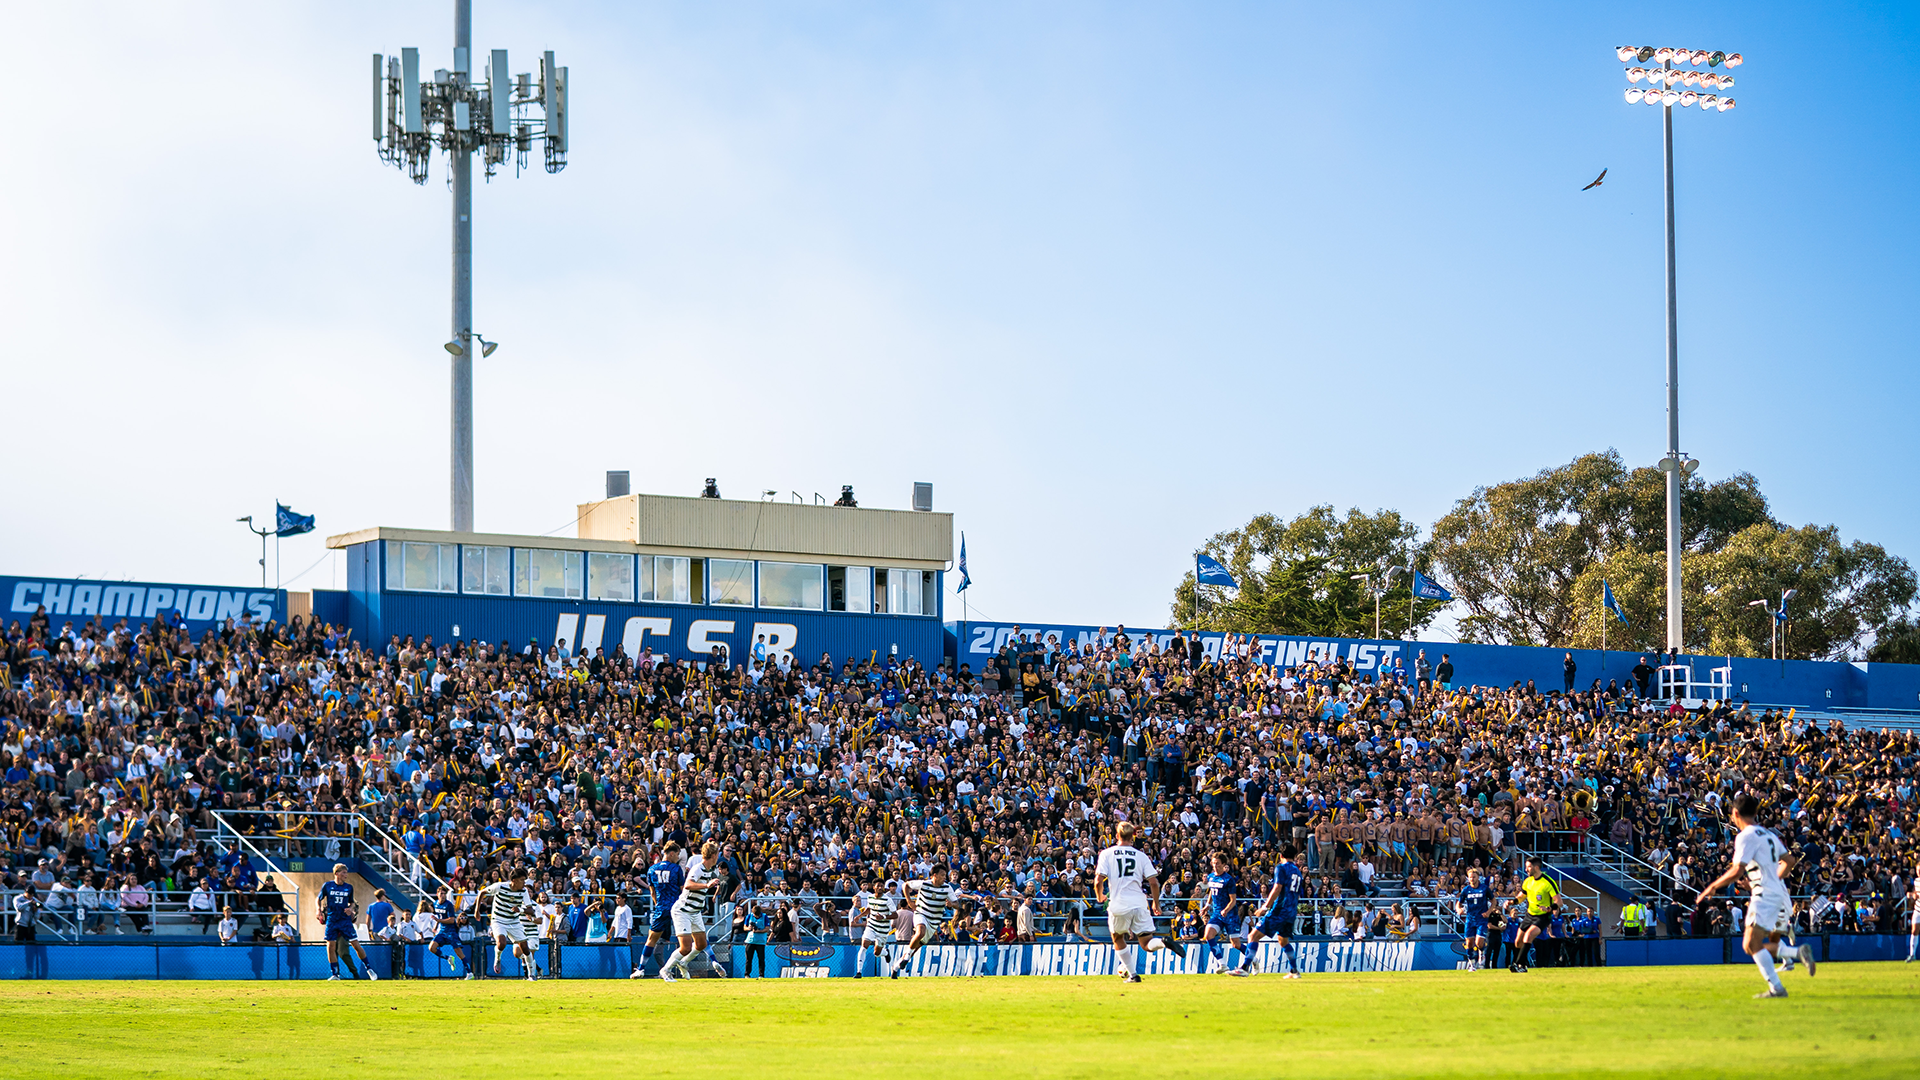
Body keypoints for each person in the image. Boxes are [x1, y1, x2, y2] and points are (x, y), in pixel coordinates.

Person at [1694, 792, 1815, 998]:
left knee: (1750, 944)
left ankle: (1779, 984)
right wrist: (1775, 879)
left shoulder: (1745, 836)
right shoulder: (1768, 834)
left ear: (1735, 813)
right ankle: (1791, 962)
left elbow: (1737, 870)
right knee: (1755, 943)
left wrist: (1711, 886)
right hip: (1777, 892)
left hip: (1764, 893)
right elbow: (1790, 861)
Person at [1093, 821, 1184, 984]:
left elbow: (1098, 880)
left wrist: (1099, 896)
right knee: (1146, 942)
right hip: (1140, 902)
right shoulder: (1141, 855)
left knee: (1118, 938)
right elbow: (1154, 883)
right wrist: (1156, 903)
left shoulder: (1107, 853)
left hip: (1119, 903)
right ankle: (1163, 942)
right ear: (1133, 837)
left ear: (1116, 836)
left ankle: (1133, 975)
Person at [1233, 844, 1304, 978]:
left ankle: (1244, 967)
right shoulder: (1297, 870)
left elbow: (1277, 888)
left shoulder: (1281, 868)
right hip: (1291, 912)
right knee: (1283, 941)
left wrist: (1264, 907)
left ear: (1281, 856)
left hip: (1279, 911)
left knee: (1253, 936)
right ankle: (1294, 970)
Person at [662, 840, 725, 982]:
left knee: (701, 944)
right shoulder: (698, 868)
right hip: (683, 910)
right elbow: (688, 885)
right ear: (714, 855)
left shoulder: (711, 871)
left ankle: (683, 963)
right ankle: (666, 970)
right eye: (717, 854)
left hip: (695, 912)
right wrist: (706, 885)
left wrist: (715, 885)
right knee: (685, 947)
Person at [891, 864, 964, 978]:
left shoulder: (947, 888)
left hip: (934, 921)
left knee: (917, 946)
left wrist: (951, 904)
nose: (945, 877)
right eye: (942, 875)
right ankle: (906, 957)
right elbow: (905, 885)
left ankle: (896, 967)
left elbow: (957, 904)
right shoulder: (924, 884)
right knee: (920, 932)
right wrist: (910, 902)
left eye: (945, 875)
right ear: (934, 875)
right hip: (921, 913)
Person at [633, 841, 685, 979]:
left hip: (661, 908)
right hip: (676, 908)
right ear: (671, 853)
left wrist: (659, 905)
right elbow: (682, 890)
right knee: (691, 937)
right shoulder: (676, 869)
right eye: (677, 855)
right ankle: (679, 966)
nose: (677, 858)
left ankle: (641, 969)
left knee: (651, 939)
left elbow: (652, 893)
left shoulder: (651, 869)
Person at [476, 866, 538, 981]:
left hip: (514, 922)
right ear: (514, 880)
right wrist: (477, 911)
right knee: (501, 943)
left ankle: (531, 974)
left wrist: (521, 910)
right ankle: (498, 958)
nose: (524, 883)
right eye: (522, 880)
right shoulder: (500, 886)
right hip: (498, 920)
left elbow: (531, 910)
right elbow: (481, 893)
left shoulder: (523, 891)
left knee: (525, 948)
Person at [318, 864, 376, 981]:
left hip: (344, 920)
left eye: (346, 872)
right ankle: (335, 974)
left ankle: (369, 968)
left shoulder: (349, 887)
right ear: (337, 873)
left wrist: (350, 908)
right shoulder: (328, 886)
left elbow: (352, 902)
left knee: (355, 944)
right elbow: (318, 898)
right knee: (330, 946)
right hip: (332, 919)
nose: (346, 875)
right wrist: (318, 910)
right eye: (343, 872)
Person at [1200, 851, 1246, 974]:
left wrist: (1226, 910)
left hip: (1230, 915)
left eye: (1218, 864)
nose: (1215, 866)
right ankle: (1222, 964)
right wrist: (1207, 905)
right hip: (1217, 914)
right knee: (1208, 935)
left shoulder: (1228, 880)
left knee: (1236, 944)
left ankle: (1253, 958)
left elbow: (1233, 900)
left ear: (1224, 864)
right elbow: (1211, 891)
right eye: (1214, 863)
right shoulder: (1210, 877)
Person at [1511, 857, 1559, 973]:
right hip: (1529, 915)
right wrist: (1512, 902)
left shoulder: (1548, 882)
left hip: (1542, 916)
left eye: (1528, 867)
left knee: (1528, 936)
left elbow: (1559, 902)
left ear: (1536, 867)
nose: (1526, 869)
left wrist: (1548, 908)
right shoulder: (1528, 881)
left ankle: (1518, 965)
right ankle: (1522, 963)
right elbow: (1522, 896)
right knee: (1518, 941)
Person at [427, 885, 473, 978]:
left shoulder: (449, 905)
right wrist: (436, 926)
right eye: (441, 894)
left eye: (444, 894)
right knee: (431, 947)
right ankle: (448, 958)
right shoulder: (435, 904)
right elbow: (439, 917)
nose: (443, 895)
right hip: (442, 931)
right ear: (437, 894)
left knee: (459, 953)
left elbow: (452, 920)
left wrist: (438, 921)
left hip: (451, 931)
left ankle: (469, 973)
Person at [855, 878, 894, 979]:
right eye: (878, 885)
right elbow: (869, 909)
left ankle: (885, 953)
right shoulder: (870, 897)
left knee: (877, 953)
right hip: (871, 926)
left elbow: (895, 915)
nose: (880, 887)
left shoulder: (888, 900)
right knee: (863, 947)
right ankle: (859, 972)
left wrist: (884, 917)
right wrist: (860, 916)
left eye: (882, 885)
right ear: (874, 887)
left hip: (883, 929)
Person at [1458, 867, 1493, 971]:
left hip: (1481, 919)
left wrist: (1488, 912)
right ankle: (1472, 964)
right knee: (1468, 943)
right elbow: (1458, 903)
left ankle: (1482, 954)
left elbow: (1494, 901)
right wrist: (1458, 909)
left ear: (1478, 877)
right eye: (1470, 877)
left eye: (1474, 877)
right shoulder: (1466, 890)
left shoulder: (1484, 888)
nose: (1472, 879)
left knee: (1479, 942)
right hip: (1470, 919)